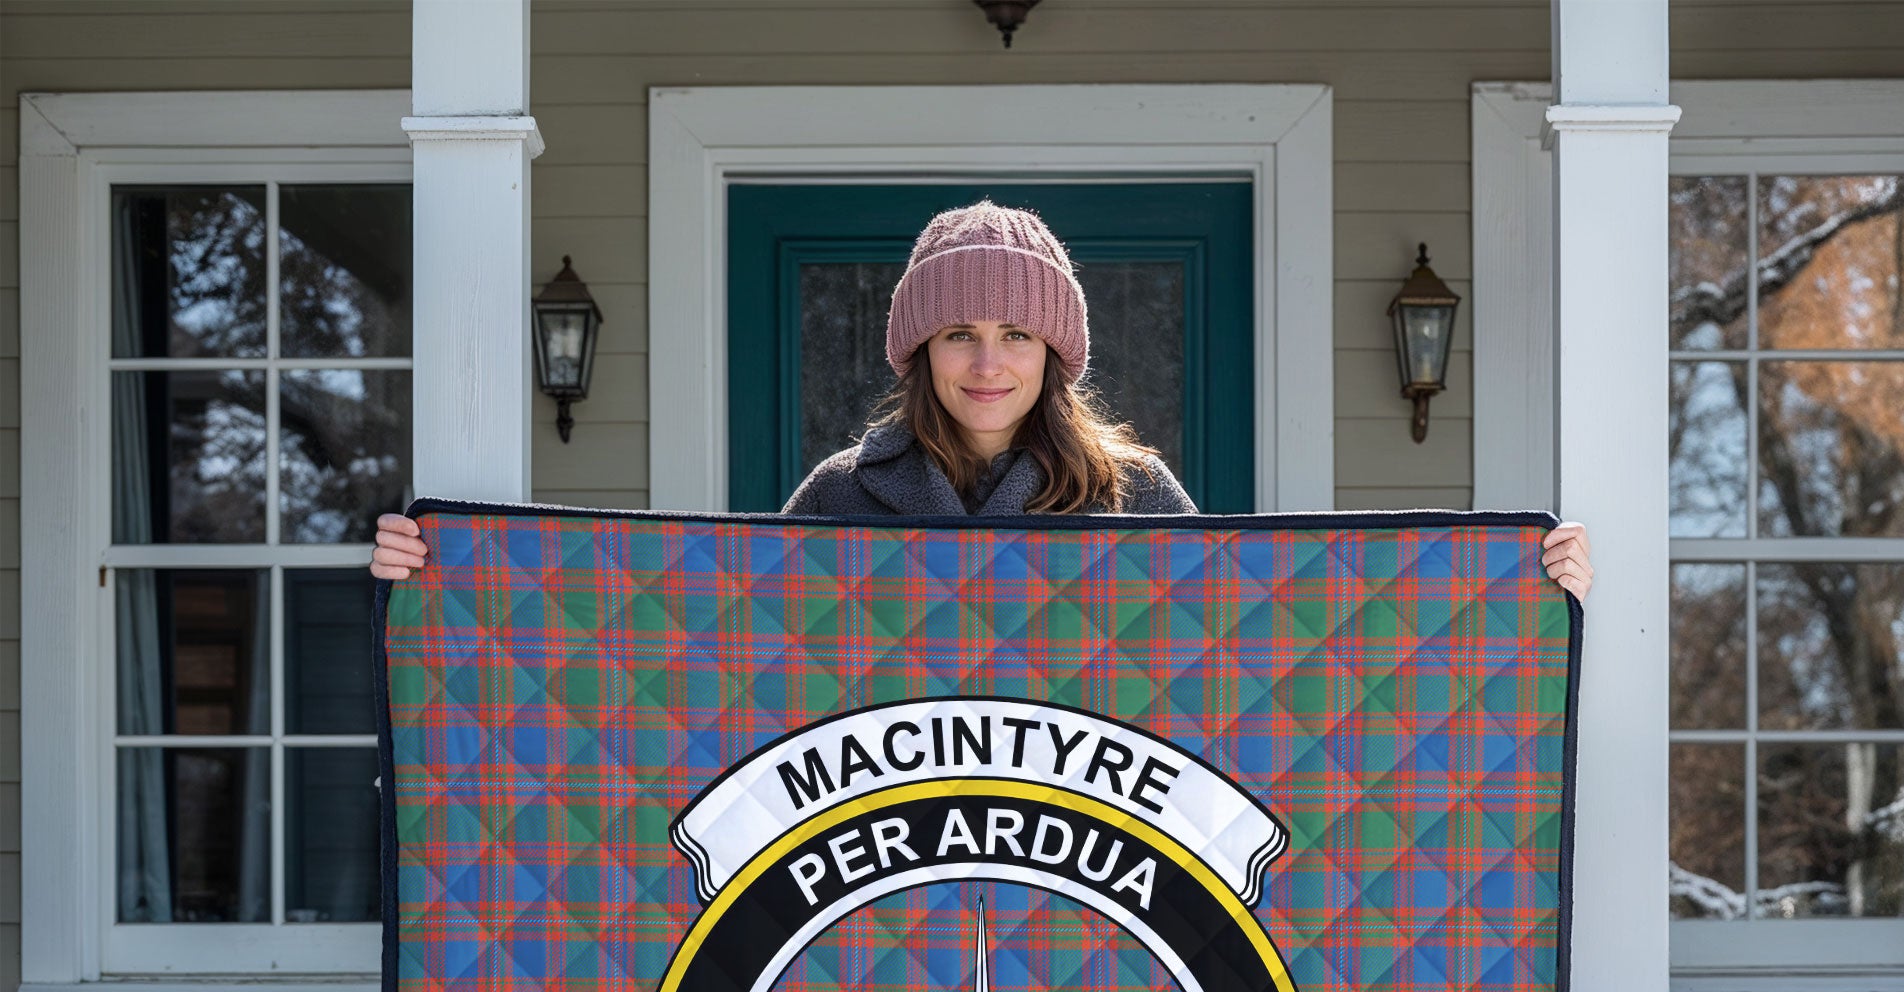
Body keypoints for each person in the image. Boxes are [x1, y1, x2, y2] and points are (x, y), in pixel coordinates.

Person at [373, 197, 1594, 594]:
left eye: (1014, 332)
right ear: (917, 352)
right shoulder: (843, 496)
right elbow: (698, 631)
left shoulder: (1134, 494)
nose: (985, 360)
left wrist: (1510, 584)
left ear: (1055, 354)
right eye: (956, 332)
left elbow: (1262, 640)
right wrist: (451, 571)